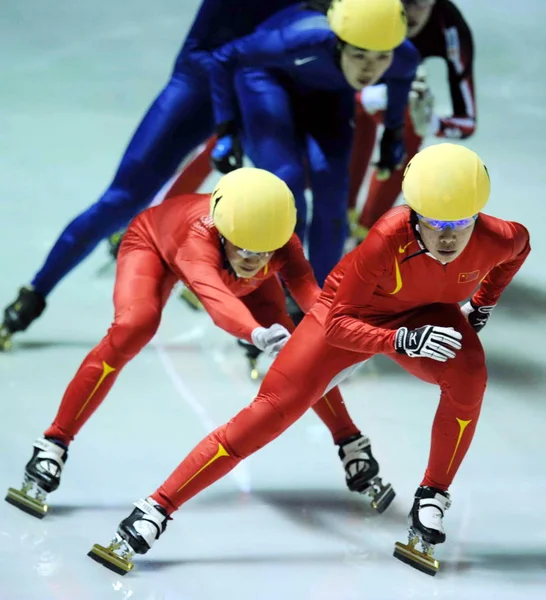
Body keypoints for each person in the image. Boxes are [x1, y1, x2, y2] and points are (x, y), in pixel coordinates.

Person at [85, 144, 529, 577]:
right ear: (414, 215)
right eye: (434, 223)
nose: (449, 236)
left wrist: (484, 303)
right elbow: (337, 327)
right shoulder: (386, 239)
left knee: (471, 376)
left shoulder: (499, 236)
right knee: (265, 417)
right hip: (348, 316)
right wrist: (403, 339)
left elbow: (517, 252)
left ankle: (433, 494)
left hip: (427, 314)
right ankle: (156, 508)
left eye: (461, 222)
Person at [5, 169, 395, 526]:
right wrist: (255, 334)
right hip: (154, 247)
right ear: (225, 232)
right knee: (134, 327)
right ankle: (54, 442)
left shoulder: (280, 241)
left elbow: (313, 296)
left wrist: (352, 327)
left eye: (264, 252)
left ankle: (349, 440)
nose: (253, 259)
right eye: (244, 248)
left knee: (300, 349)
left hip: (223, 268)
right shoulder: (199, 240)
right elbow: (217, 302)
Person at [0, 0, 300, 350]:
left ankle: (278, 308)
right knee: (121, 200)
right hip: (202, 83)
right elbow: (213, 47)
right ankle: (34, 294)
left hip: (260, 88)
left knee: (291, 190)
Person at [206, 0, 418, 285]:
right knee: (288, 183)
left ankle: (321, 295)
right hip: (267, 80)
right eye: (359, 55)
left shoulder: (404, 57)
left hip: (328, 95)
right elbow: (223, 59)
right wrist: (226, 129)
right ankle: (281, 290)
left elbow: (400, 81)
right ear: (339, 43)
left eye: (382, 58)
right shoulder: (299, 39)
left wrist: (393, 134)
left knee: (332, 193)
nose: (370, 71)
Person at [348, 0, 476, 241]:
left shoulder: (449, 27)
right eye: (405, 1)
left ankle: (364, 233)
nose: (411, 12)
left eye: (421, 3)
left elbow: (468, 122)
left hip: (391, 97)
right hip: (352, 97)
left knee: (412, 110)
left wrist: (429, 122)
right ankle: (342, 214)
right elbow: (313, 84)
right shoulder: (357, 10)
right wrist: (361, 96)